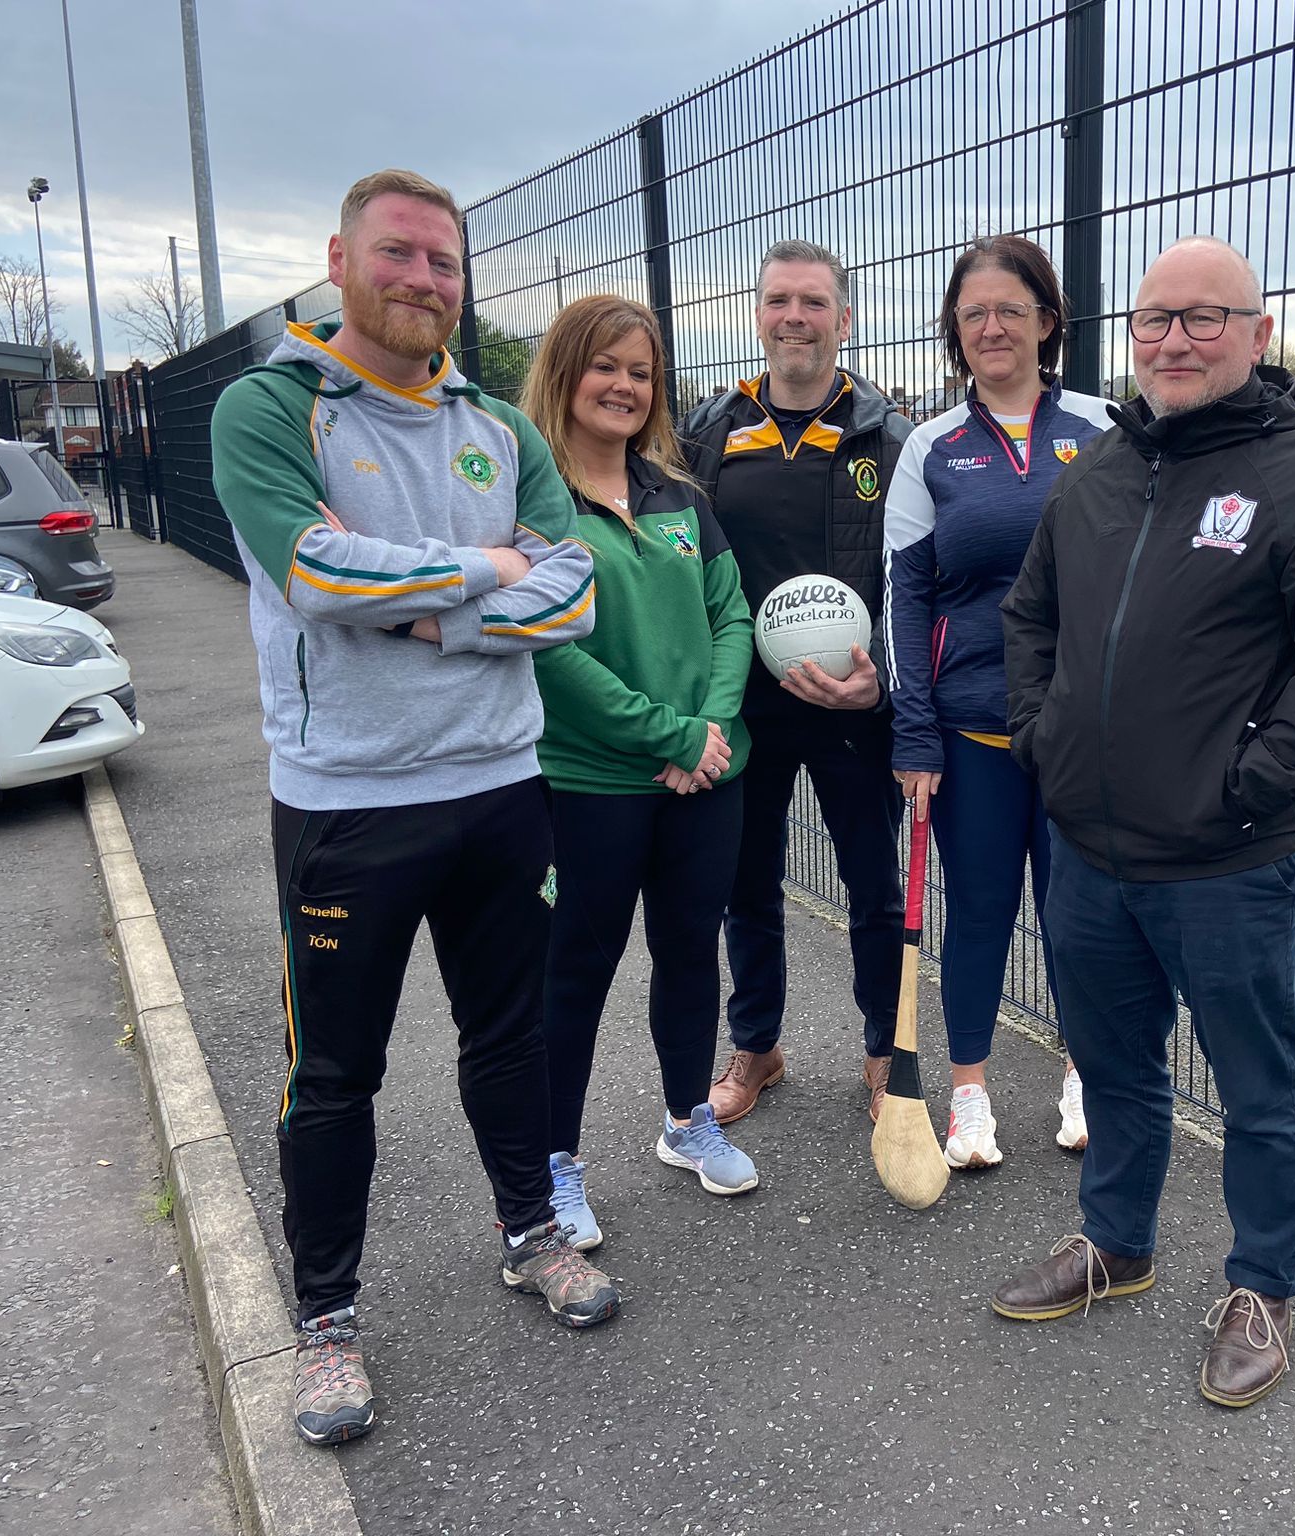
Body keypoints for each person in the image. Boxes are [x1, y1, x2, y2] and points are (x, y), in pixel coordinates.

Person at [210, 169, 620, 1448]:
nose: (421, 282)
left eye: (442, 263)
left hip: (501, 789)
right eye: (397, 255)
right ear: (340, 258)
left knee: (509, 1041)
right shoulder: (265, 409)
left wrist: (426, 603)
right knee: (334, 1073)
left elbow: (573, 598)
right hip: (347, 805)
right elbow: (312, 571)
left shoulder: (503, 427)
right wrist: (483, 580)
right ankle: (325, 1321)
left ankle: (528, 1234)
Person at [991, 237, 1295, 1410]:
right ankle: (1114, 1245)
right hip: (1086, 851)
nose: (1172, 340)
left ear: (1257, 335)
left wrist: (1254, 782)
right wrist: (1042, 736)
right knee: (1114, 1069)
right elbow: (1030, 619)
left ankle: (1262, 1287)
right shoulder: (1100, 472)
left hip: (1226, 862)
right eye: (1153, 320)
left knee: (1259, 1087)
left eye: (1202, 319)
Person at [522, 294, 760, 1240]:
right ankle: (554, 1165)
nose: (624, 385)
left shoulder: (680, 496)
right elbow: (543, 646)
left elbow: (732, 616)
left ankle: (687, 1120)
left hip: (705, 777)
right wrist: (665, 735)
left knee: (689, 952)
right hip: (588, 783)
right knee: (573, 969)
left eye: (642, 371)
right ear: (566, 372)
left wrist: (708, 730)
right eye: (606, 366)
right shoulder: (532, 504)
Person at [883, 235, 1111, 1168]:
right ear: (955, 332)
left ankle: (1085, 1073)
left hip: (1082, 735)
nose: (991, 328)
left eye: (1010, 310)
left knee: (1080, 917)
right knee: (978, 916)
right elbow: (905, 597)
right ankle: (968, 1096)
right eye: (972, 313)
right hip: (971, 732)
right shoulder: (929, 449)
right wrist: (914, 733)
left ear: (1048, 322)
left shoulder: (1104, 430)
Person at [680, 239, 915, 1126]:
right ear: (758, 315)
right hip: (746, 700)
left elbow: (913, 573)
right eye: (779, 301)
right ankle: (757, 1046)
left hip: (853, 706)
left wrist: (881, 680)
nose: (794, 318)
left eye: (813, 303)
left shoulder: (887, 435)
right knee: (748, 882)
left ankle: (884, 1051)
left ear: (843, 319)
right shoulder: (708, 432)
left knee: (872, 885)